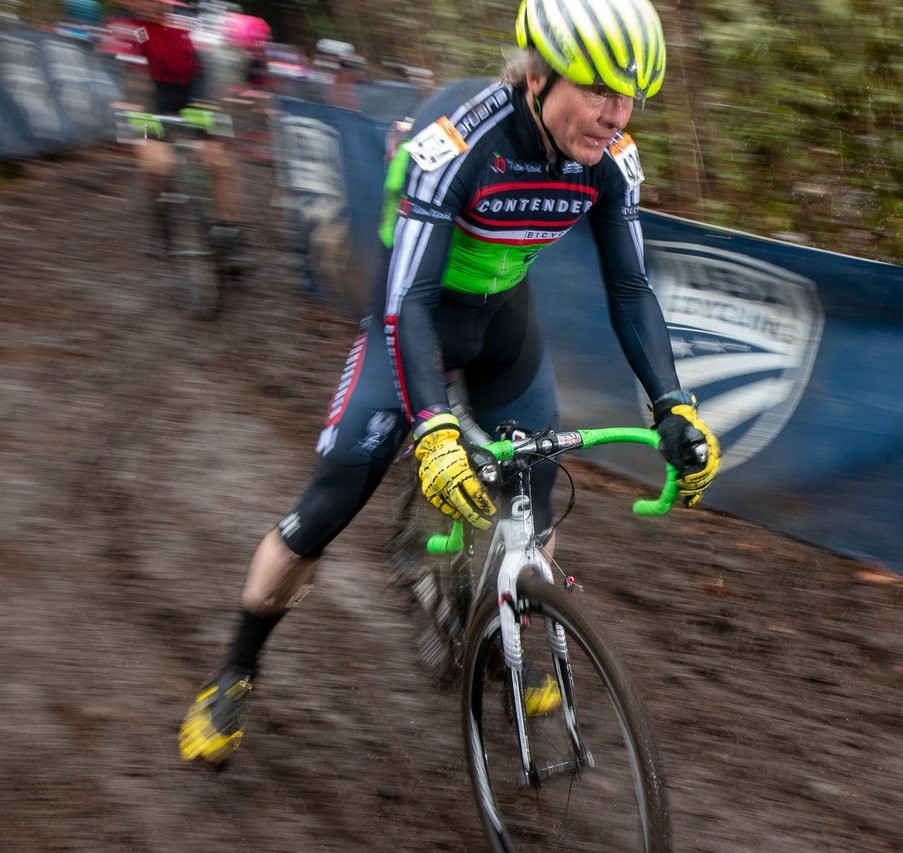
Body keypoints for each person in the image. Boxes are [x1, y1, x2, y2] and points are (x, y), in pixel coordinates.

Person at [178, 0, 721, 766]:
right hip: (416, 318)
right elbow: (413, 300)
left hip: (503, 326)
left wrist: (673, 404)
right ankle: (235, 668)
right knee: (324, 509)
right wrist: (431, 422)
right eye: (598, 90)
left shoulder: (610, 158)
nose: (615, 115)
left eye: (630, 98)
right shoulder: (460, 142)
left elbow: (631, 291)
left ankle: (526, 618)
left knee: (536, 481)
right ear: (538, 76)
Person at [122, 0, 245, 262]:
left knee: (218, 161)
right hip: (154, 96)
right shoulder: (132, 28)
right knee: (155, 164)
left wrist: (212, 112)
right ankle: (160, 223)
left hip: (195, 93)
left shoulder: (187, 17)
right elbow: (134, 82)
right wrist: (139, 126)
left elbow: (210, 71)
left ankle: (231, 234)